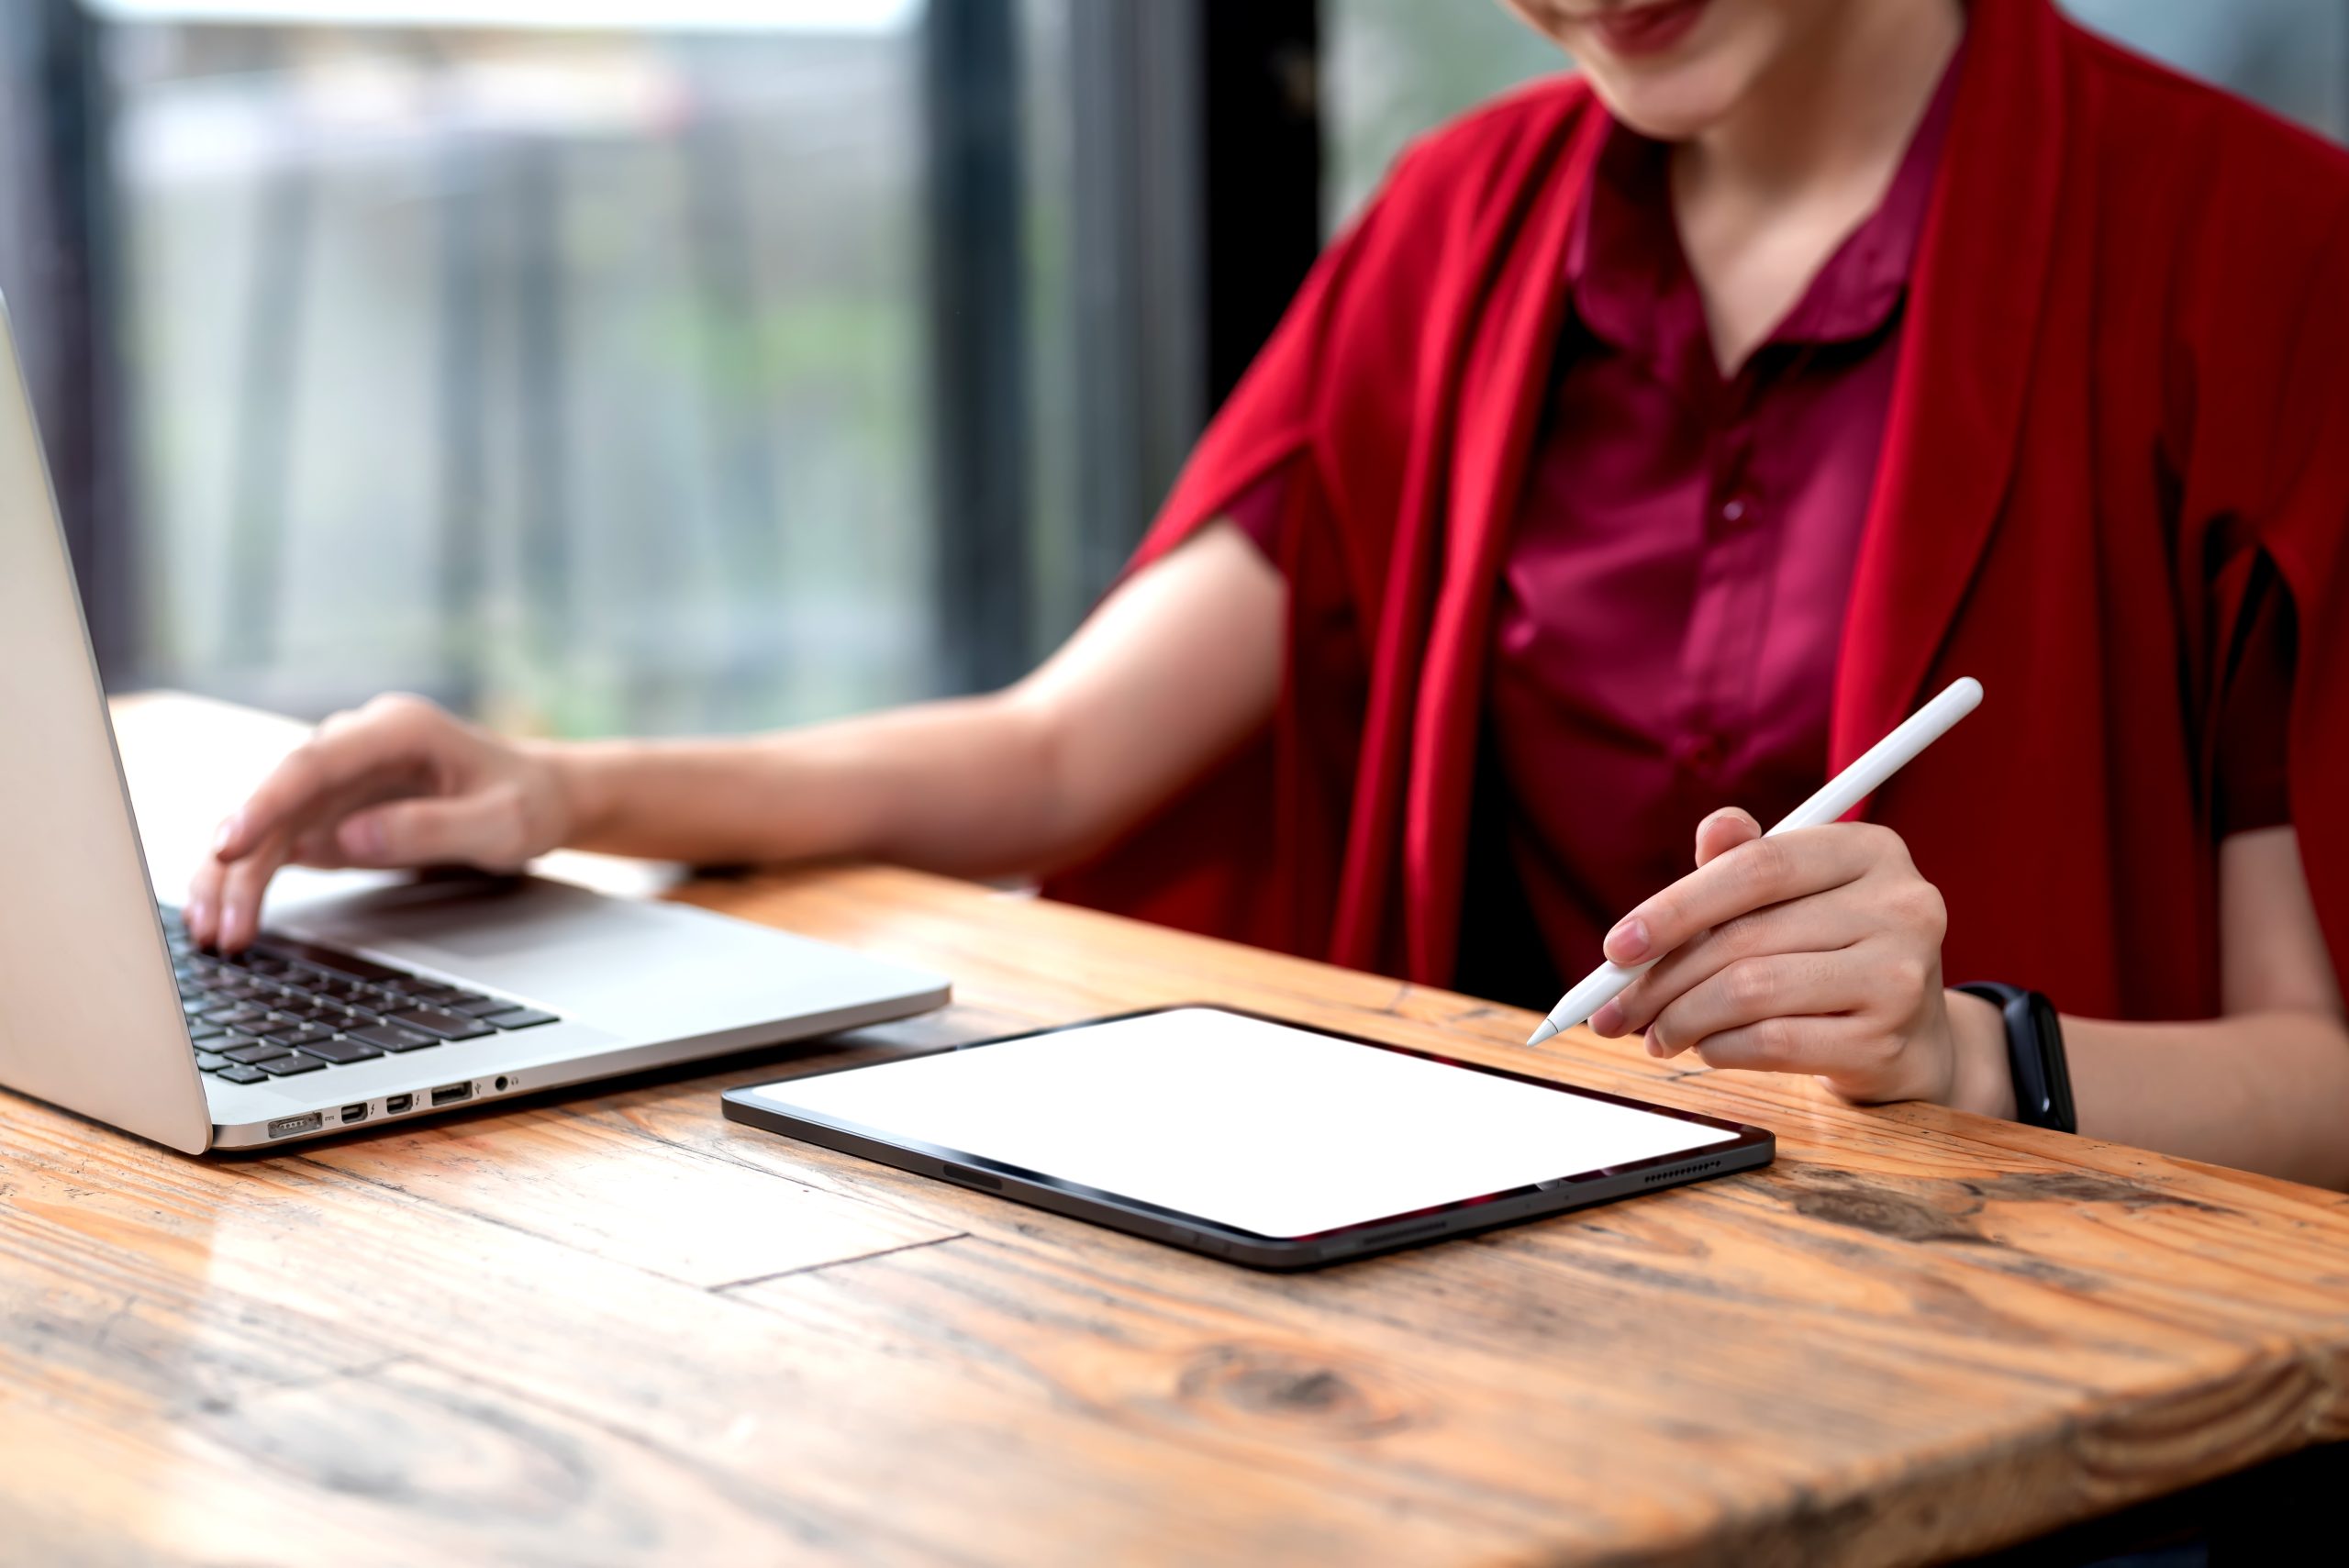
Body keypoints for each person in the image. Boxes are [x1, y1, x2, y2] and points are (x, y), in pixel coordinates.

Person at [190, 0, 2349, 1186]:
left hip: (2054, 1386)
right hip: (1550, 1305)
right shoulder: (1458, 225)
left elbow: (2323, 1084)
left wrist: (1973, 1064)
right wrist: (556, 784)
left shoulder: (2253, 255)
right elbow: (1058, 750)